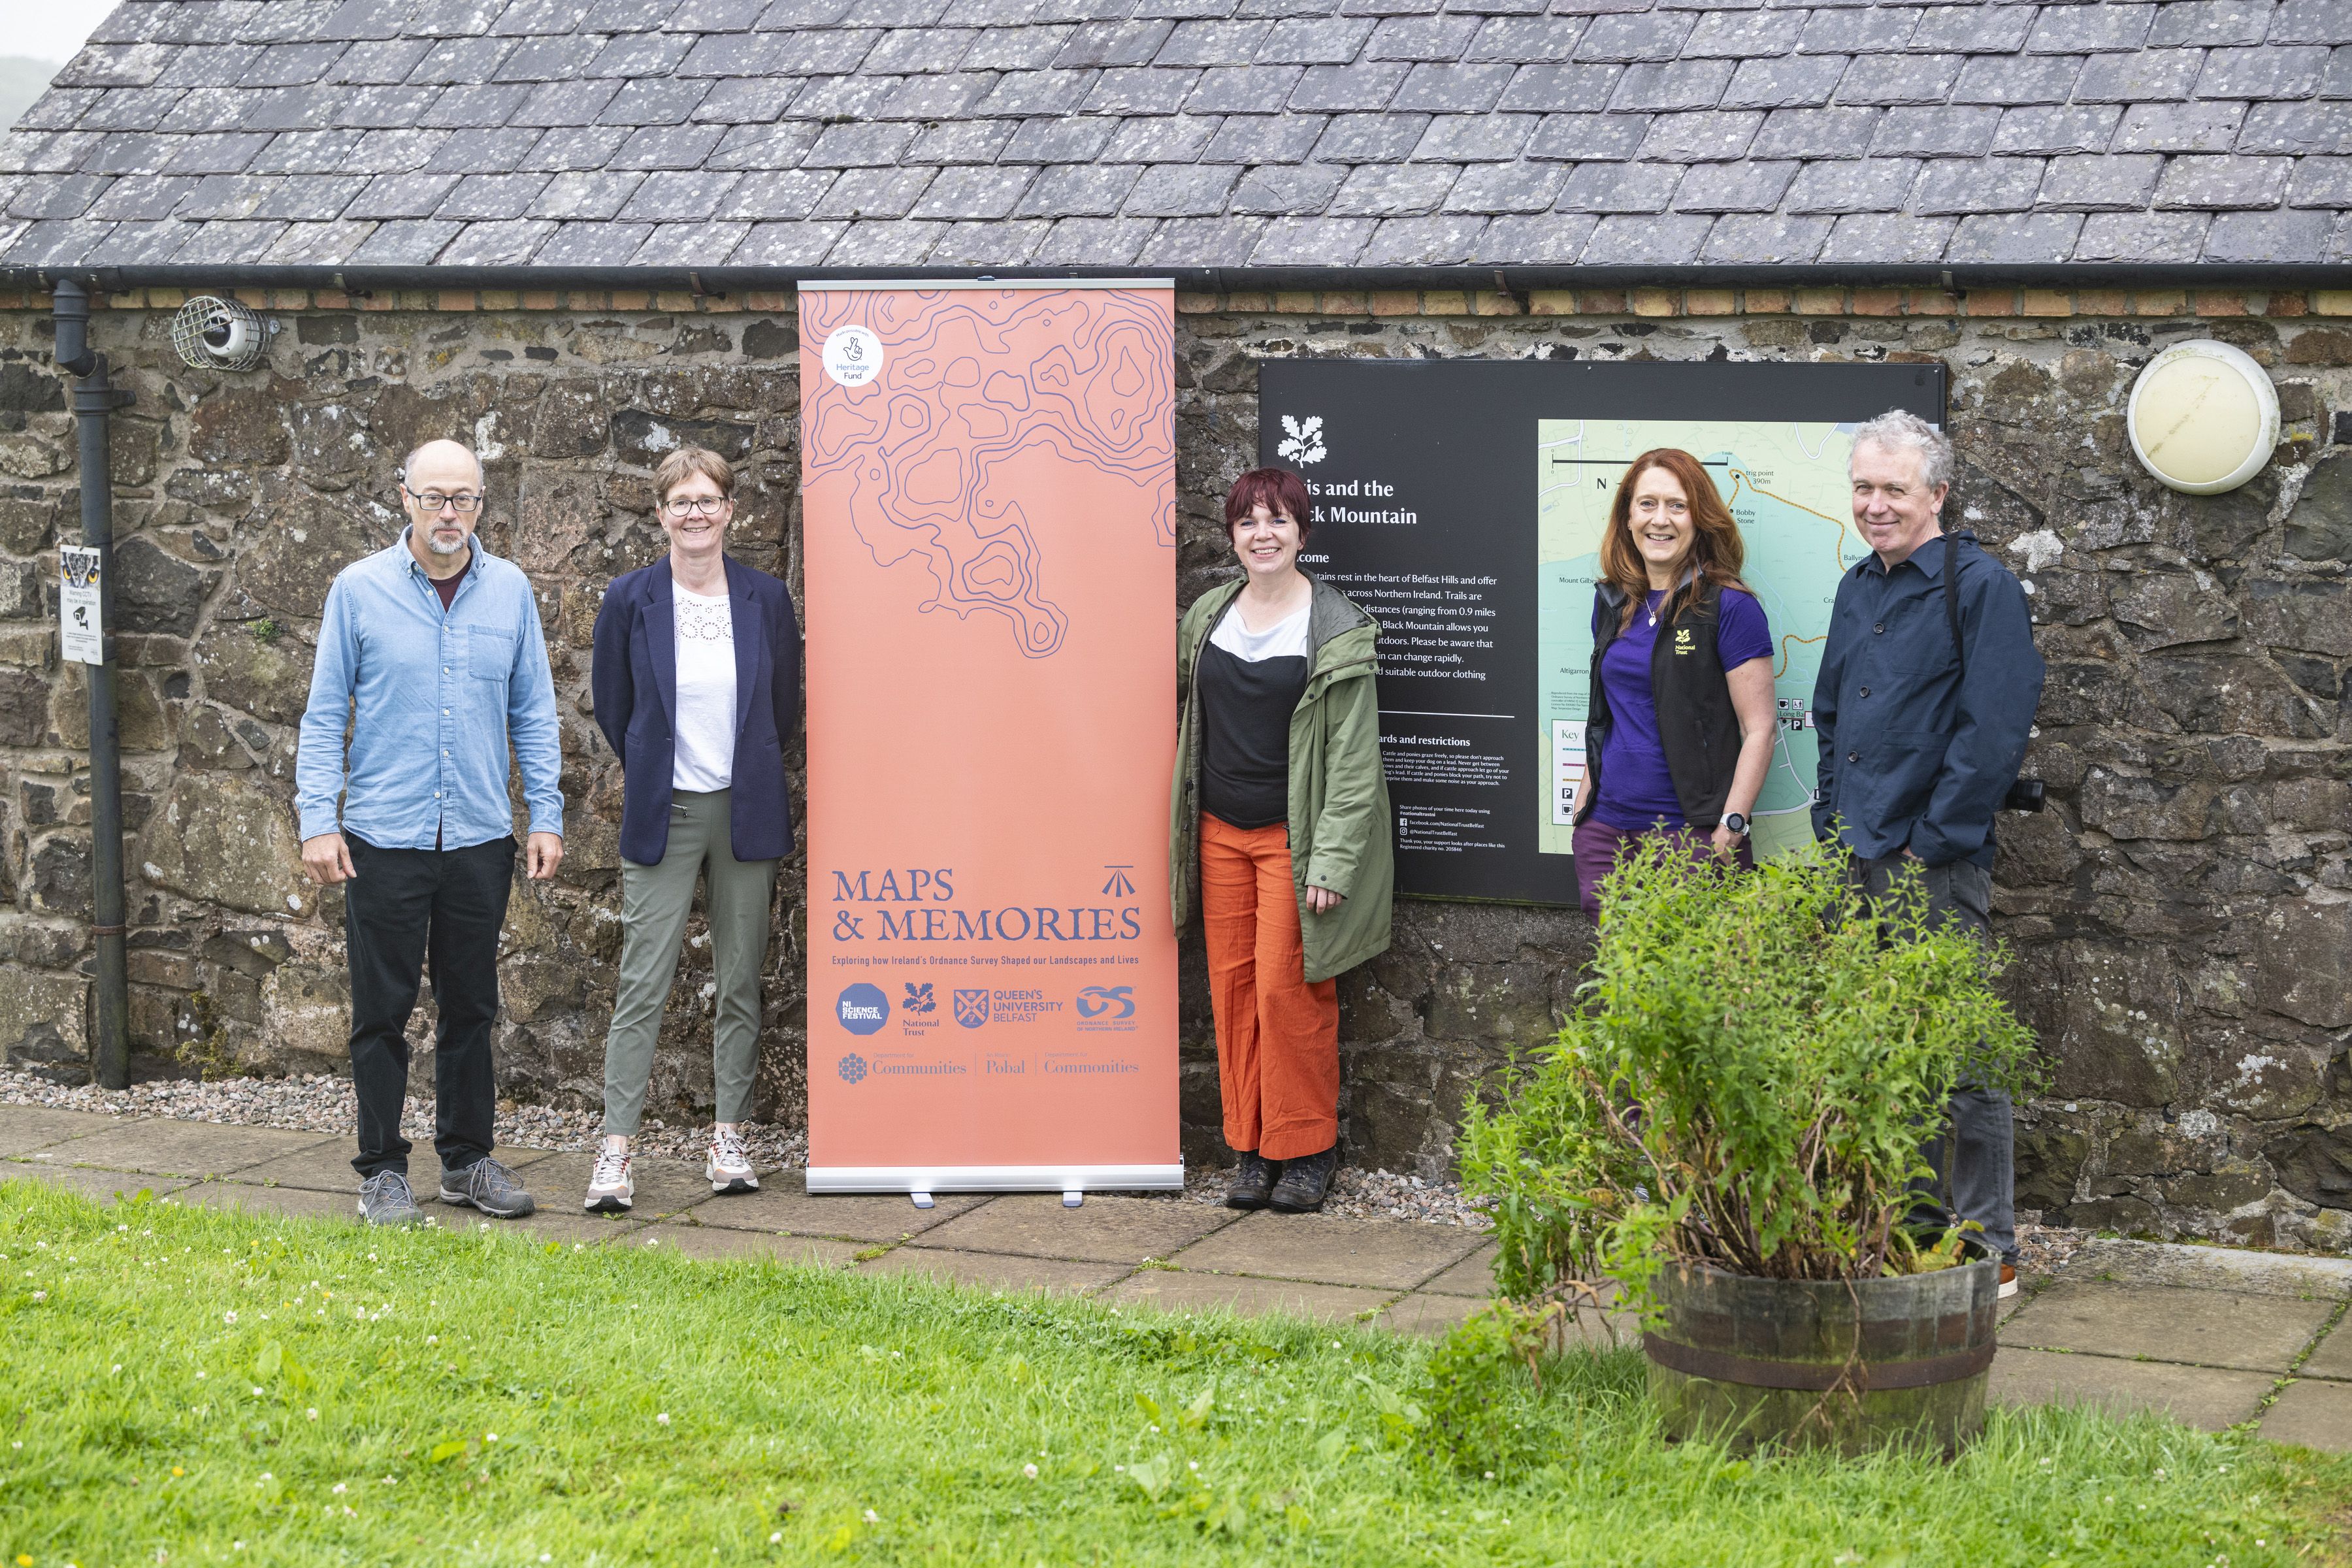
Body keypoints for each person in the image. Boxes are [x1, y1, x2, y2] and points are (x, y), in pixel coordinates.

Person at [295, 439, 564, 1228]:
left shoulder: (510, 592)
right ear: (404, 497)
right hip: (383, 837)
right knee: (380, 1012)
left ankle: (466, 1161)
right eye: (435, 497)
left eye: (466, 499)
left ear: (483, 504)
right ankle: (380, 1170)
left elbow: (534, 715)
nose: (450, 513)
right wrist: (320, 820)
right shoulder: (358, 590)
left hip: (480, 836)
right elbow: (323, 715)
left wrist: (543, 815)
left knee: (472, 1007)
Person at [1812, 408, 2044, 1298]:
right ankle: (1909, 1230)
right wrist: (1838, 824)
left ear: (1936, 493)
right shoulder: (1857, 588)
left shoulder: (1980, 589)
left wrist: (1927, 846)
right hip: (1858, 855)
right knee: (1884, 1048)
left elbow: (1992, 736)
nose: (1875, 505)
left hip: (1932, 863)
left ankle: (1991, 1247)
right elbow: (1833, 715)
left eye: (1893, 490)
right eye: (1864, 488)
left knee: (1962, 1056)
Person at [1170, 466, 1394, 1215]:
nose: (1262, 535)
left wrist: (1330, 859)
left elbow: (1357, 766)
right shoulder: (1208, 616)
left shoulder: (1336, 629)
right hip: (1218, 833)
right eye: (1247, 522)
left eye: (1278, 520)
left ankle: (1305, 1150)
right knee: (1232, 991)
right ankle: (1250, 1146)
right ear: (1231, 536)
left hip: (1292, 843)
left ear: (1302, 532)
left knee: (1289, 990)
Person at [585, 448, 801, 1214]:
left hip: (745, 812)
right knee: (643, 982)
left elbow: (783, 707)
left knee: (741, 981)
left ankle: (730, 1139)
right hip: (665, 810)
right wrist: (652, 765)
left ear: (731, 511)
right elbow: (615, 708)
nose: (696, 513)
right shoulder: (630, 598)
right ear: (660, 514)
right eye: (681, 501)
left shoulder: (766, 598)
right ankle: (615, 1152)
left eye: (709, 499)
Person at [1569, 448, 1778, 916]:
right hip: (1607, 832)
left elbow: (1760, 729)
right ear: (1627, 517)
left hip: (1692, 835)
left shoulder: (1731, 607)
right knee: (1623, 979)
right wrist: (1585, 812)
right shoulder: (1612, 602)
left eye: (1677, 505)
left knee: (1699, 982)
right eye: (1647, 504)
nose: (1659, 520)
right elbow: (1608, 712)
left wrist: (1732, 826)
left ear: (1699, 519)